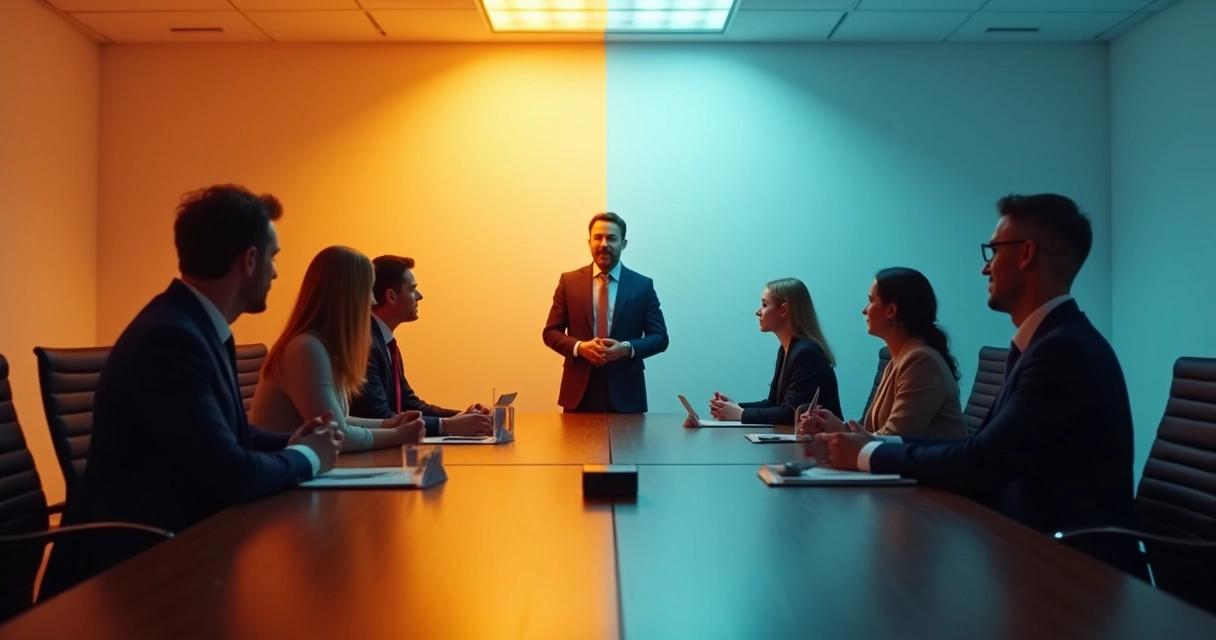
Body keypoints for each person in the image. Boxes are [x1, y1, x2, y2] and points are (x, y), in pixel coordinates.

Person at [808, 194, 1144, 577]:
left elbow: (984, 461)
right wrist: (872, 445)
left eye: (993, 251)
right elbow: (979, 449)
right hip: (1028, 550)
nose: (985, 269)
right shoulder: (1046, 344)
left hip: (1074, 574)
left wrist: (867, 454)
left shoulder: (1062, 351)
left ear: (1025, 254)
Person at [39, 185, 343, 600]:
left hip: (179, 545)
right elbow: (233, 474)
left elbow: (228, 433)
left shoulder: (198, 327)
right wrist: (307, 457)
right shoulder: (170, 339)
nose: (274, 273)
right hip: (132, 575)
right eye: (272, 258)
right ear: (249, 260)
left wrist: (296, 441)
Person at [248, 246, 427, 451]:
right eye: (368, 291)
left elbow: (342, 420)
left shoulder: (324, 347)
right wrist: (398, 435)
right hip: (284, 475)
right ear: (349, 296)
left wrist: (389, 424)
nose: (375, 301)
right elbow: (337, 435)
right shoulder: (306, 349)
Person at [798, 268, 966, 439]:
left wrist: (839, 433)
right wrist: (837, 427)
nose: (865, 310)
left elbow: (895, 441)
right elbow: (874, 433)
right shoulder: (898, 359)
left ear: (891, 310)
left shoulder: (920, 361)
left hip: (929, 466)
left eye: (870, 301)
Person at [349, 255, 492, 437]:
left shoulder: (382, 341)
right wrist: (446, 425)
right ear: (391, 296)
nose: (419, 296)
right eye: (412, 289)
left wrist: (463, 418)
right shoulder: (365, 344)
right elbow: (379, 416)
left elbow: (410, 404)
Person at [542, 212, 669, 413]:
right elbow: (550, 333)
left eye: (611, 238)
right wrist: (579, 347)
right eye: (597, 237)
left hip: (627, 394)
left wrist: (625, 348)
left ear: (624, 243)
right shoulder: (569, 282)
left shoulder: (642, 286)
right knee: (575, 446)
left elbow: (660, 337)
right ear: (589, 241)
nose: (603, 244)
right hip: (578, 395)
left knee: (630, 446)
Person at [708, 278, 841, 425]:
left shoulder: (806, 354)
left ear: (783, 310)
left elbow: (791, 413)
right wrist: (734, 408)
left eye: (764, 305)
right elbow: (774, 404)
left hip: (823, 445)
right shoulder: (786, 350)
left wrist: (740, 413)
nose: (758, 312)